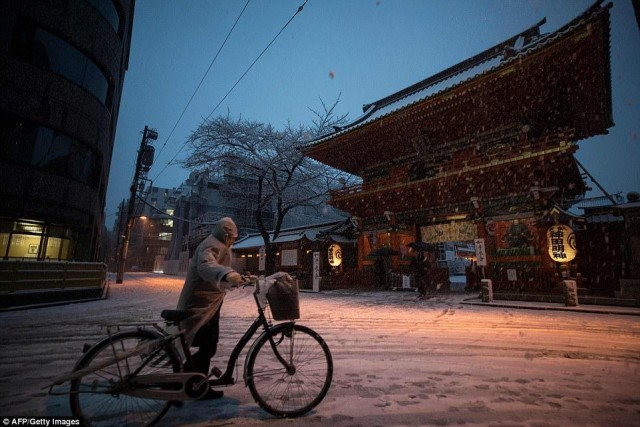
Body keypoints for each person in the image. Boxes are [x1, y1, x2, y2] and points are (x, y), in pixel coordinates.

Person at [176, 217, 243, 400]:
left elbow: (216, 270)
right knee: (207, 344)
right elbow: (207, 267)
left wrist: (232, 277)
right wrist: (226, 274)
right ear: (226, 234)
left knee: (208, 344)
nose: (234, 240)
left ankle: (192, 381)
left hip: (208, 303)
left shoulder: (218, 244)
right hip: (199, 304)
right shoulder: (212, 245)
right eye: (232, 236)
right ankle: (193, 383)